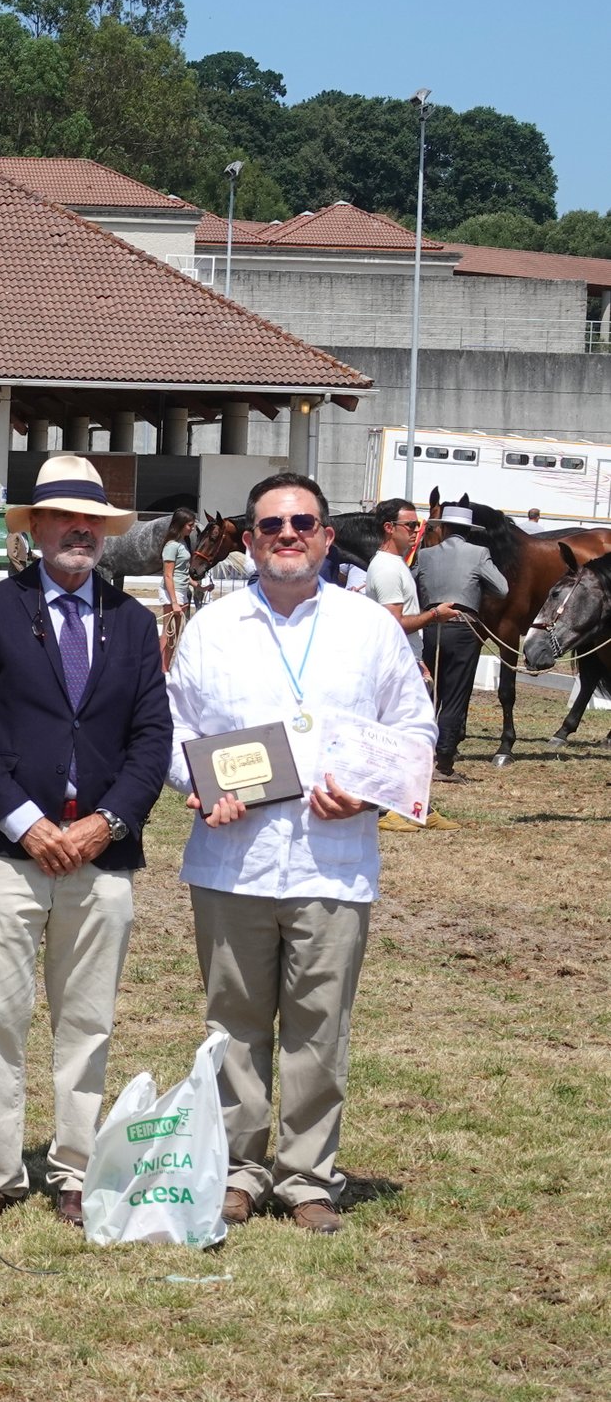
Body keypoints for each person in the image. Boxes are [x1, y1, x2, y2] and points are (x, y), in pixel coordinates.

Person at [168, 473, 437, 1234]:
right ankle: (237, 1171)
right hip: (232, 859)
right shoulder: (213, 628)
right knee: (234, 1023)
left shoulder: (370, 627)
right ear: (249, 540)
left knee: (322, 1024)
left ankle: (308, 1175)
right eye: (271, 525)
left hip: (334, 858)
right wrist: (197, 783)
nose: (287, 534)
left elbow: (415, 732)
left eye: (303, 522)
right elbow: (173, 726)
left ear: (325, 536)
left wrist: (368, 792)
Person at [0, 456, 173, 1227]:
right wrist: (27, 823)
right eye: (64, 519)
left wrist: (106, 821)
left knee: (88, 1021)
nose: (80, 532)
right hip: (6, 852)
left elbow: (152, 738)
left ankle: (74, 1169)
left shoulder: (135, 624)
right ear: (35, 529)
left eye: (93, 522)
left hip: (101, 855)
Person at [363, 499, 462, 830]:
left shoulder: (394, 564)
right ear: (389, 528)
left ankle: (414, 806)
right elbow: (393, 624)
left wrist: (417, 659)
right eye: (411, 526)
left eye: (419, 526)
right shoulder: (389, 569)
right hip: (396, 666)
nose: (417, 532)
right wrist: (436, 615)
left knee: (411, 737)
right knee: (409, 739)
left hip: (405, 661)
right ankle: (396, 808)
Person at [411, 500, 506, 781]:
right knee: (455, 695)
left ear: (444, 528)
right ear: (468, 531)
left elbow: (412, 584)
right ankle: (443, 762)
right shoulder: (479, 553)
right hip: (464, 628)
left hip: (431, 624)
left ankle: (418, 753)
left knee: (430, 691)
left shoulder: (427, 555)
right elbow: (502, 588)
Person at [158, 507, 198, 664]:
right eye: (190, 525)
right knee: (168, 631)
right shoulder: (172, 546)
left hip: (180, 590)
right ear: (181, 524)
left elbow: (182, 572)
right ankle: (160, 668)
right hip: (172, 592)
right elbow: (168, 574)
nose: (192, 527)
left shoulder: (183, 543)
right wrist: (174, 601)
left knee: (175, 634)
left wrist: (197, 585)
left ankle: (166, 666)